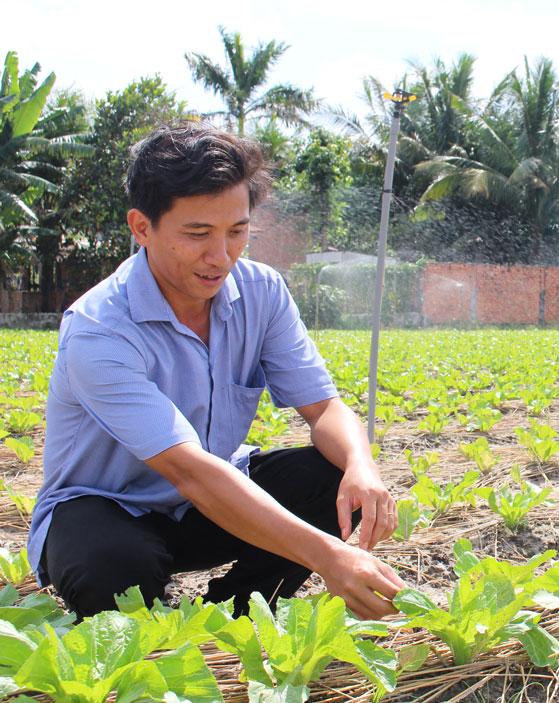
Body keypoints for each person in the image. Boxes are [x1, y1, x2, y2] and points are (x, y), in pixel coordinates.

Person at [27, 122, 404, 620]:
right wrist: (328, 557)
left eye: (238, 232)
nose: (220, 256)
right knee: (113, 568)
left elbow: (325, 406)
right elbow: (189, 471)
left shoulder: (262, 292)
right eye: (198, 234)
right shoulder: (99, 329)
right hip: (108, 508)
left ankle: (235, 612)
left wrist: (361, 463)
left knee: (332, 477)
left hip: (210, 507)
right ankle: (147, 629)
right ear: (141, 227)